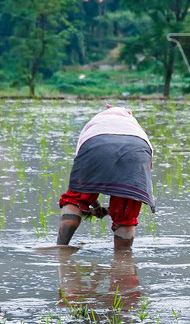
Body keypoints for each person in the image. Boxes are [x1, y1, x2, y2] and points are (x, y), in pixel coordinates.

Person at [56, 105, 154, 247]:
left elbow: (86, 181)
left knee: (75, 198)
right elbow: (145, 167)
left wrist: (94, 205)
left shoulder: (95, 123)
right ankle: (123, 258)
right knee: (126, 212)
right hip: (136, 151)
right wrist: (98, 207)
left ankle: (60, 247)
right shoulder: (135, 127)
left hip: (95, 143)